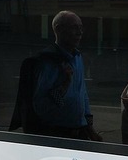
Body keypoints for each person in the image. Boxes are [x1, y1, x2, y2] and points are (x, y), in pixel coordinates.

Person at [31, 10, 98, 139]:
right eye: (74, 27)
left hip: (80, 131)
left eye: (81, 28)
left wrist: (89, 126)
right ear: (59, 29)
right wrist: (65, 84)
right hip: (57, 134)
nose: (80, 32)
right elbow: (41, 105)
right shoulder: (47, 62)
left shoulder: (77, 57)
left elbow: (82, 93)